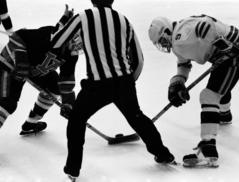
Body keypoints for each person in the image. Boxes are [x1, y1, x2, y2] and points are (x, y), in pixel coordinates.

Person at [50, 0, 175, 180]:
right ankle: (163, 154)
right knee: (137, 117)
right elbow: (138, 58)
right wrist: (128, 83)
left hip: (97, 85)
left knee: (77, 120)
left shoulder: (83, 17)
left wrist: (63, 23)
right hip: (124, 82)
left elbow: (56, 41)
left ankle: (72, 168)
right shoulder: (124, 20)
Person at [148, 14, 239, 168]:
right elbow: (184, 65)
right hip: (230, 53)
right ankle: (223, 113)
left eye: (163, 40)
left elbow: (206, 24)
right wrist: (177, 83)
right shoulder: (178, 39)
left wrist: (227, 44)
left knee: (209, 96)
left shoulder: (181, 34)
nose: (164, 45)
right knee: (219, 89)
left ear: (167, 32)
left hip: (236, 54)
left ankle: (208, 148)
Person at [0, 5, 79, 166]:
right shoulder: (49, 36)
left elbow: (66, 80)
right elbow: (18, 36)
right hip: (11, 65)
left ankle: (30, 124)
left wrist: (68, 102)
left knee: (55, 88)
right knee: (7, 103)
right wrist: (22, 63)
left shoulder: (71, 53)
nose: (77, 47)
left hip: (36, 70)